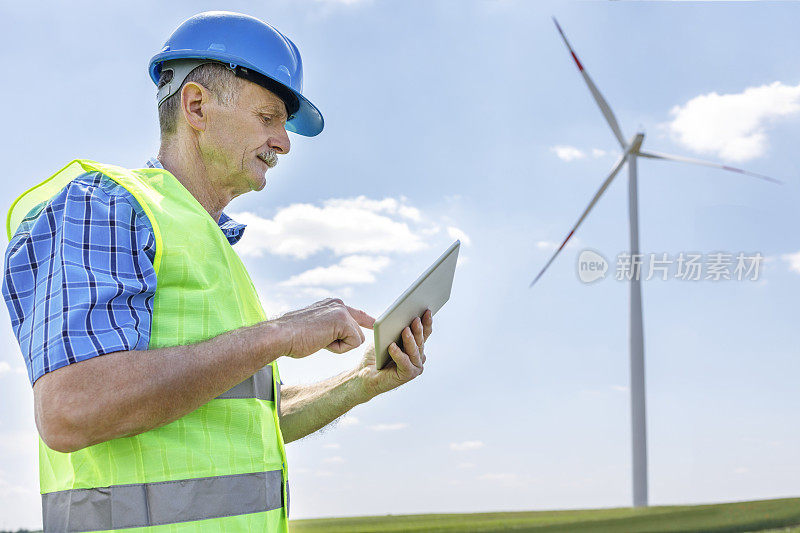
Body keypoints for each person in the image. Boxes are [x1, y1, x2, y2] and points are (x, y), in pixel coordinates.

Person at [2, 11, 430, 532]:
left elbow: (233, 420)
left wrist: (360, 381)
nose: (285, 142)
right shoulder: (107, 207)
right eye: (268, 117)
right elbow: (72, 408)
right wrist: (279, 334)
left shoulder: (212, 246)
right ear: (197, 106)